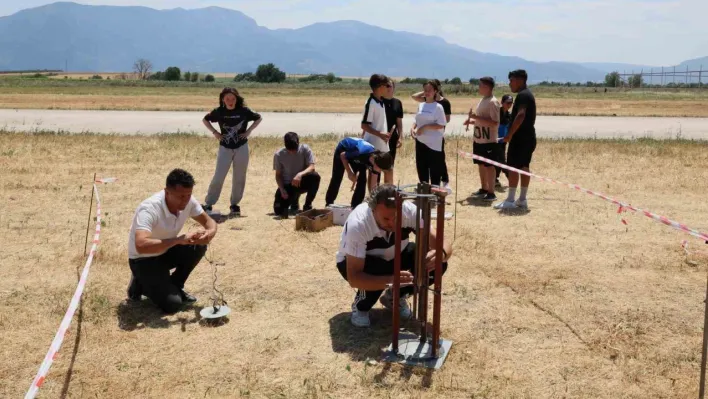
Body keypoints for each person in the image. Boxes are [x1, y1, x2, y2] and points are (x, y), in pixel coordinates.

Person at [336, 184, 453, 327]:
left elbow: (441, 242)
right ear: (372, 209)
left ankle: (395, 297)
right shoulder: (359, 223)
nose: (392, 223)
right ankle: (361, 306)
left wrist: (441, 254)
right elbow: (354, 277)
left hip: (395, 255)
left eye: (395, 217)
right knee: (379, 271)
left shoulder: (409, 211)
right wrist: (390, 280)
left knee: (438, 264)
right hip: (358, 262)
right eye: (386, 219)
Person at [127, 169, 218, 313]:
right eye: (181, 196)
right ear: (167, 192)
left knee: (198, 246)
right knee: (172, 305)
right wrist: (178, 240)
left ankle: (175, 286)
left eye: (188, 195)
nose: (185, 200)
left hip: (165, 251)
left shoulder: (189, 201)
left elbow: (209, 222)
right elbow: (141, 246)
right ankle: (139, 282)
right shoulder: (149, 208)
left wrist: (209, 233)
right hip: (143, 259)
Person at [202, 87, 263, 217]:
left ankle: (234, 205)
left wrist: (248, 131)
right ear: (223, 99)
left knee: (239, 176)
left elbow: (258, 118)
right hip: (225, 147)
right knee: (219, 175)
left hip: (241, 147)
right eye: (227, 98)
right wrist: (215, 133)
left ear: (237, 99)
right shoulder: (219, 111)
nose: (230, 101)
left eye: (233, 98)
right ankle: (208, 203)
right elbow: (205, 120)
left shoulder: (244, 111)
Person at [494, 70, 537, 210]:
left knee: (513, 167)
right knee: (524, 167)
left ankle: (511, 199)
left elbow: (520, 115)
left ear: (520, 80)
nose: (510, 83)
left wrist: (510, 134)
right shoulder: (527, 95)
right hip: (528, 137)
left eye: (511, 80)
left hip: (520, 138)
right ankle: (522, 199)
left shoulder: (523, 96)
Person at [325, 137, 393, 208]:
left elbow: (373, 187)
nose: (380, 171)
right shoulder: (362, 152)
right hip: (344, 149)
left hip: (360, 158)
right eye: (381, 169)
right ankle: (329, 202)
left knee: (362, 180)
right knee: (337, 177)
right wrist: (350, 173)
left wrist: (374, 202)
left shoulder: (377, 163)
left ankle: (356, 206)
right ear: (377, 164)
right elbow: (342, 155)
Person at [463, 76, 501, 202]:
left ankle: (491, 192)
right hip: (479, 139)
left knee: (489, 166)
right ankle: (484, 188)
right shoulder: (483, 100)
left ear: (487, 87)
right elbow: (482, 119)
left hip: (489, 140)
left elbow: (495, 122)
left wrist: (475, 117)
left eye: (480, 85)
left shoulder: (493, 102)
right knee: (480, 164)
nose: (478, 87)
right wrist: (472, 121)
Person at [412, 79, 452, 191]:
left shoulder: (438, 107)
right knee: (421, 167)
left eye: (430, 90)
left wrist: (425, 127)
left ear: (435, 91)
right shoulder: (421, 105)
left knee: (434, 169)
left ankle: (434, 191)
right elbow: (417, 119)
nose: (427, 92)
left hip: (434, 143)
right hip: (420, 141)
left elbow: (441, 124)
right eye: (425, 90)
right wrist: (413, 128)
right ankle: (424, 189)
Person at [273, 132, 321, 218]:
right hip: (289, 185)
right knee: (278, 211)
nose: (292, 152)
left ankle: (307, 205)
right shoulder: (278, 155)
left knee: (315, 176)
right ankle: (294, 201)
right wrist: (281, 189)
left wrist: (300, 174)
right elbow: (278, 175)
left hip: (302, 181)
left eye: (294, 149)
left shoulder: (305, 149)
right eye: (289, 150)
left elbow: (312, 167)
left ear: (298, 143)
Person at [383, 79, 404, 181]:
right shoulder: (379, 101)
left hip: (392, 138)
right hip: (379, 136)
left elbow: (399, 123)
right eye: (385, 86)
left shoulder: (397, 103)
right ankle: (375, 193)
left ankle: (388, 190)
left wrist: (400, 137)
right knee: (376, 167)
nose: (387, 88)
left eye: (389, 86)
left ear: (393, 88)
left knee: (390, 166)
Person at [495, 94, 514, 188]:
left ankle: (495, 179)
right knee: (501, 160)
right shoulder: (496, 113)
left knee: (499, 159)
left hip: (503, 140)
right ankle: (510, 176)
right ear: (502, 102)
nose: (509, 104)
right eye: (508, 103)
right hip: (495, 140)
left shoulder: (509, 115)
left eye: (511, 103)